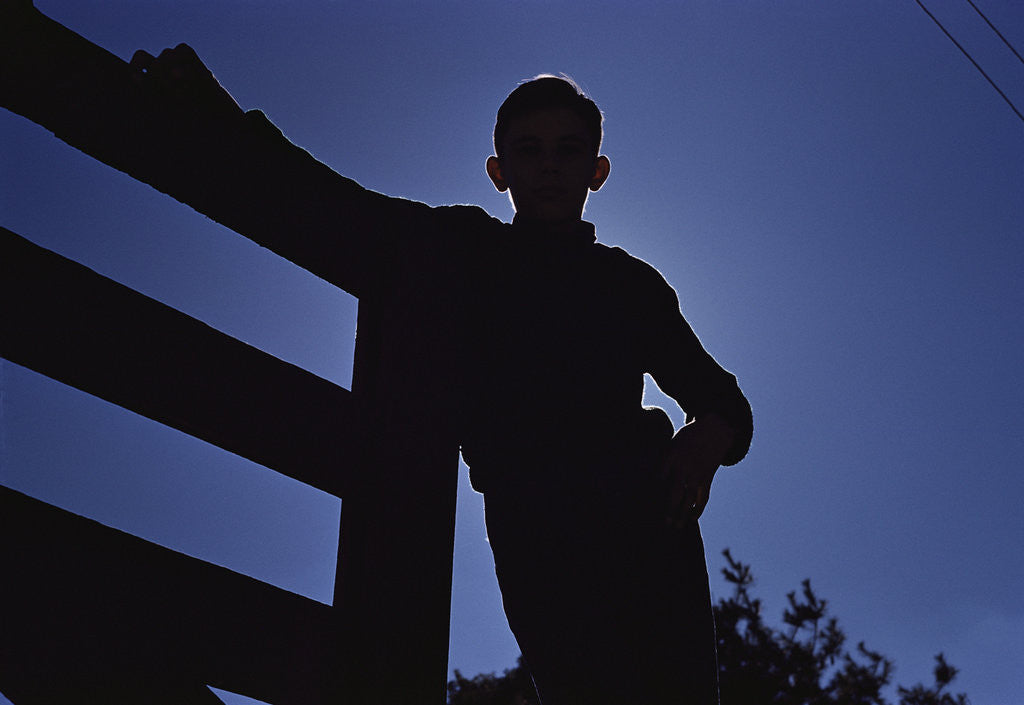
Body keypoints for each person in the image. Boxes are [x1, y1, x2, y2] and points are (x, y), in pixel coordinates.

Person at [131, 46, 753, 704]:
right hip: (538, 525)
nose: (548, 165)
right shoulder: (464, 249)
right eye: (529, 149)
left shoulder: (633, 286)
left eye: (568, 150)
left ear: (597, 170)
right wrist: (222, 116)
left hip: (648, 524)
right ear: (498, 170)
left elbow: (725, 401)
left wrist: (706, 436)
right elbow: (336, 207)